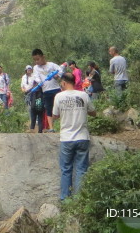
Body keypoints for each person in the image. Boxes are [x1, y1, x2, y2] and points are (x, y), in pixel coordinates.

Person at [53, 71, 95, 200]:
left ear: (64, 83)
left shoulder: (59, 97)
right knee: (81, 169)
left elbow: (55, 115)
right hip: (82, 137)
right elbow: (93, 112)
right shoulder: (84, 95)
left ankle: (65, 199)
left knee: (66, 170)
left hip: (66, 138)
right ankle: (79, 200)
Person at [31, 48, 63, 131]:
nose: (37, 61)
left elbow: (60, 70)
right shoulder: (36, 68)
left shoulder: (51, 65)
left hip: (56, 89)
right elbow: (36, 76)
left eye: (38, 59)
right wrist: (39, 82)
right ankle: (51, 128)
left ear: (43, 57)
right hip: (46, 91)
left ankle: (61, 126)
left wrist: (57, 76)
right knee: (48, 109)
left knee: (60, 108)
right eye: (35, 60)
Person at [21, 64, 38, 131]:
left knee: (34, 106)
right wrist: (23, 90)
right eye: (28, 69)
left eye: (30, 69)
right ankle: (31, 119)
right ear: (26, 70)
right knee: (29, 107)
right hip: (26, 93)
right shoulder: (23, 77)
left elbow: (36, 83)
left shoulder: (34, 76)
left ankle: (36, 120)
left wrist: (33, 88)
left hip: (33, 91)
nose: (29, 70)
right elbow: (22, 85)